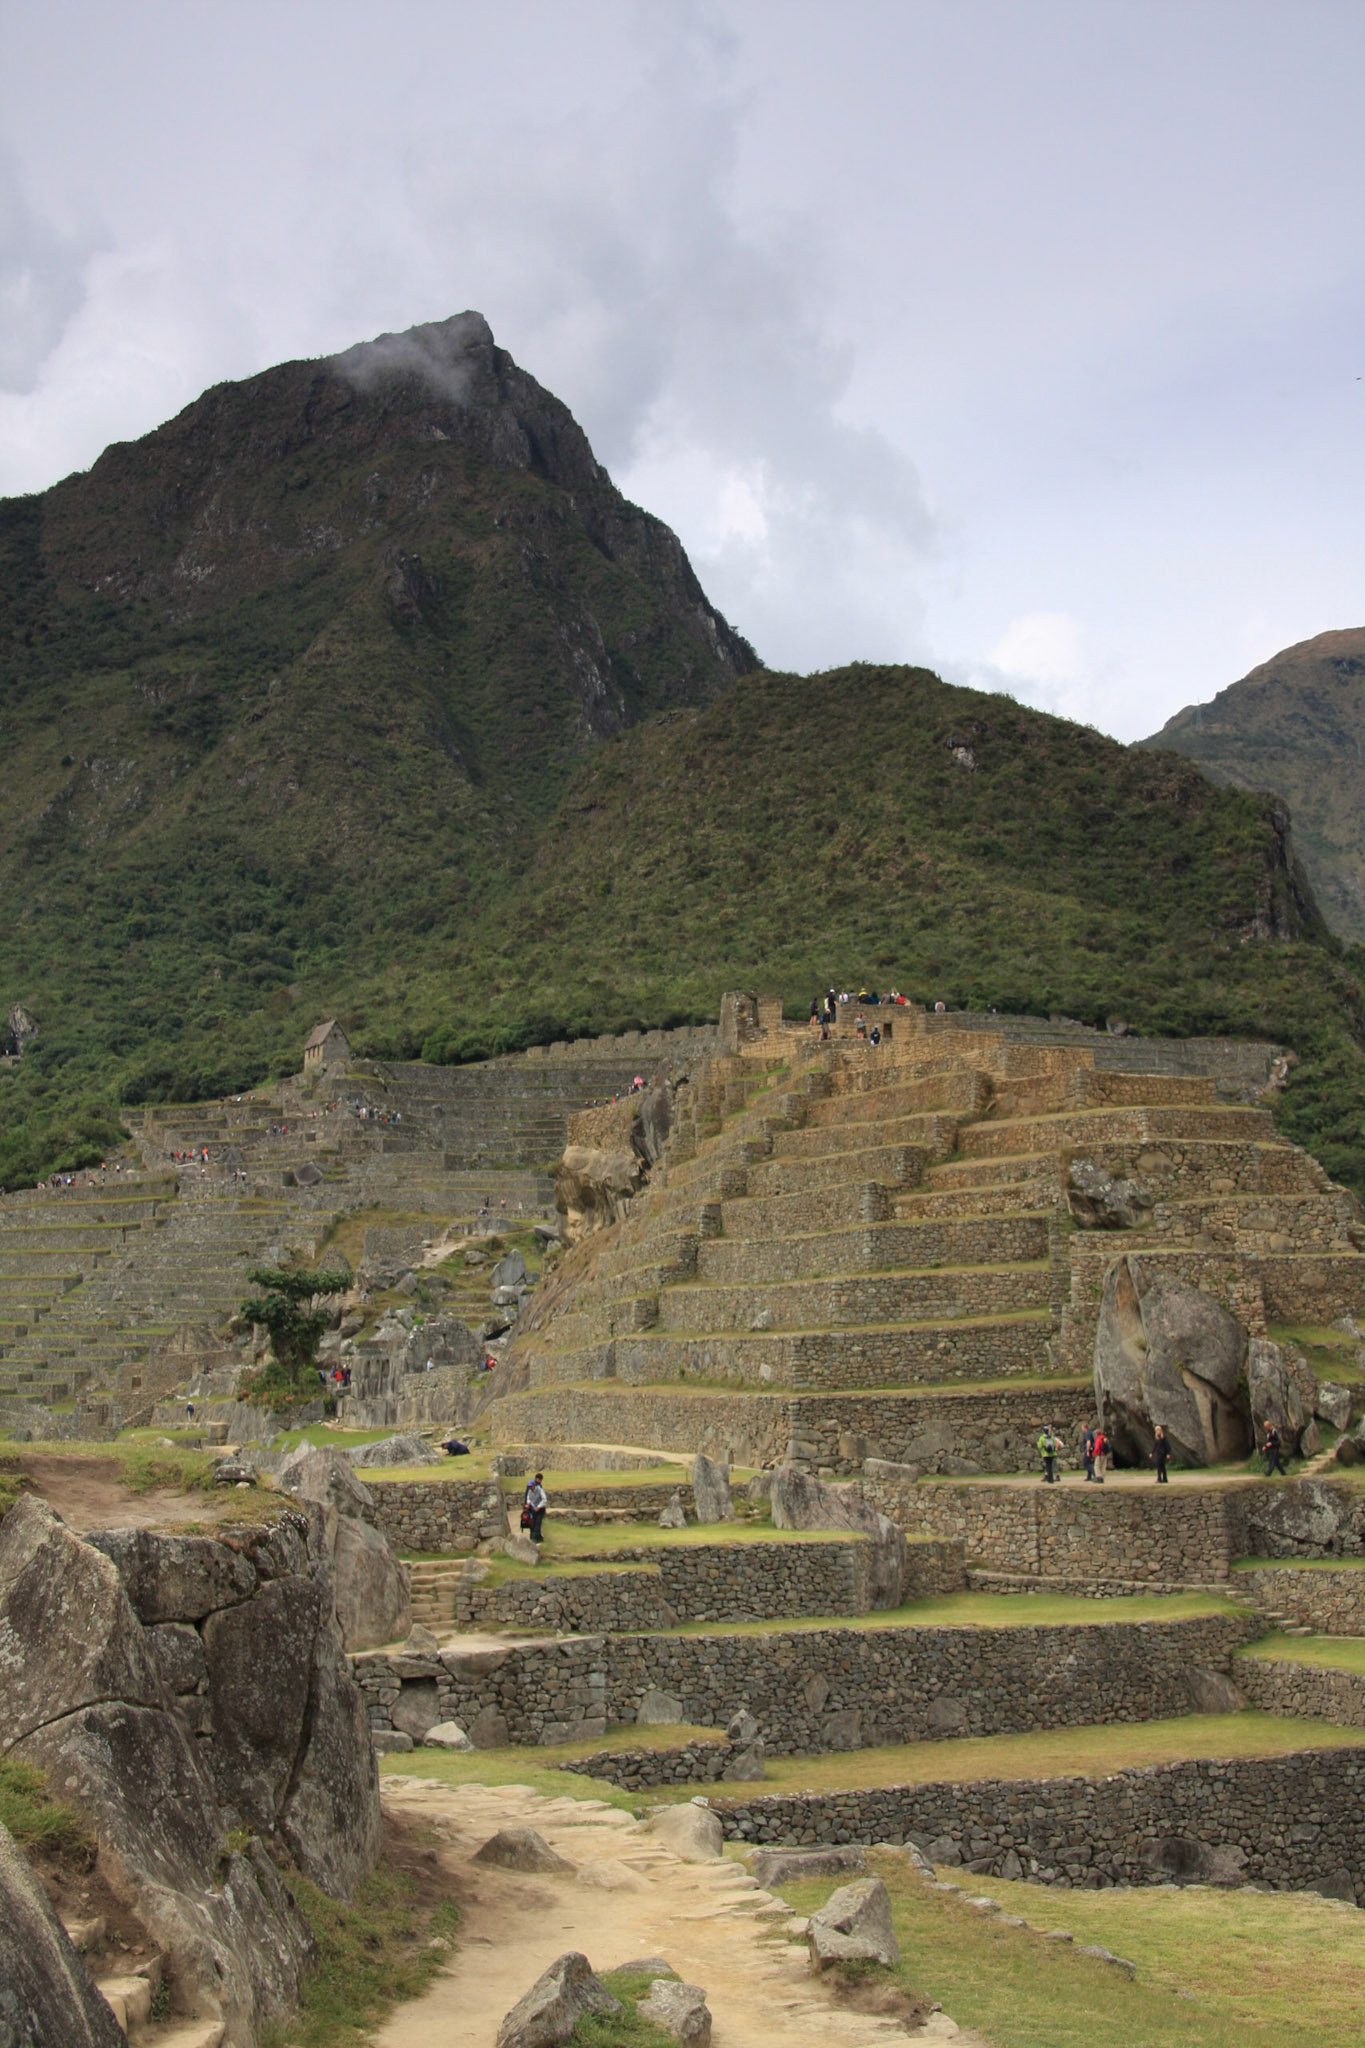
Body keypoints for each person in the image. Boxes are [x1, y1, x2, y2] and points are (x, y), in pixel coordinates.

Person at [524, 1472, 548, 1544]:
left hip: (540, 1509)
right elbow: (528, 1498)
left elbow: (544, 1499)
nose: (530, 1488)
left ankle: (536, 1538)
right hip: (533, 1509)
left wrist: (538, 1507)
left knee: (537, 1524)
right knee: (533, 1524)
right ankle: (533, 1538)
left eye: (531, 1486)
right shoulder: (530, 1490)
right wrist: (528, 1504)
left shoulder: (540, 1489)